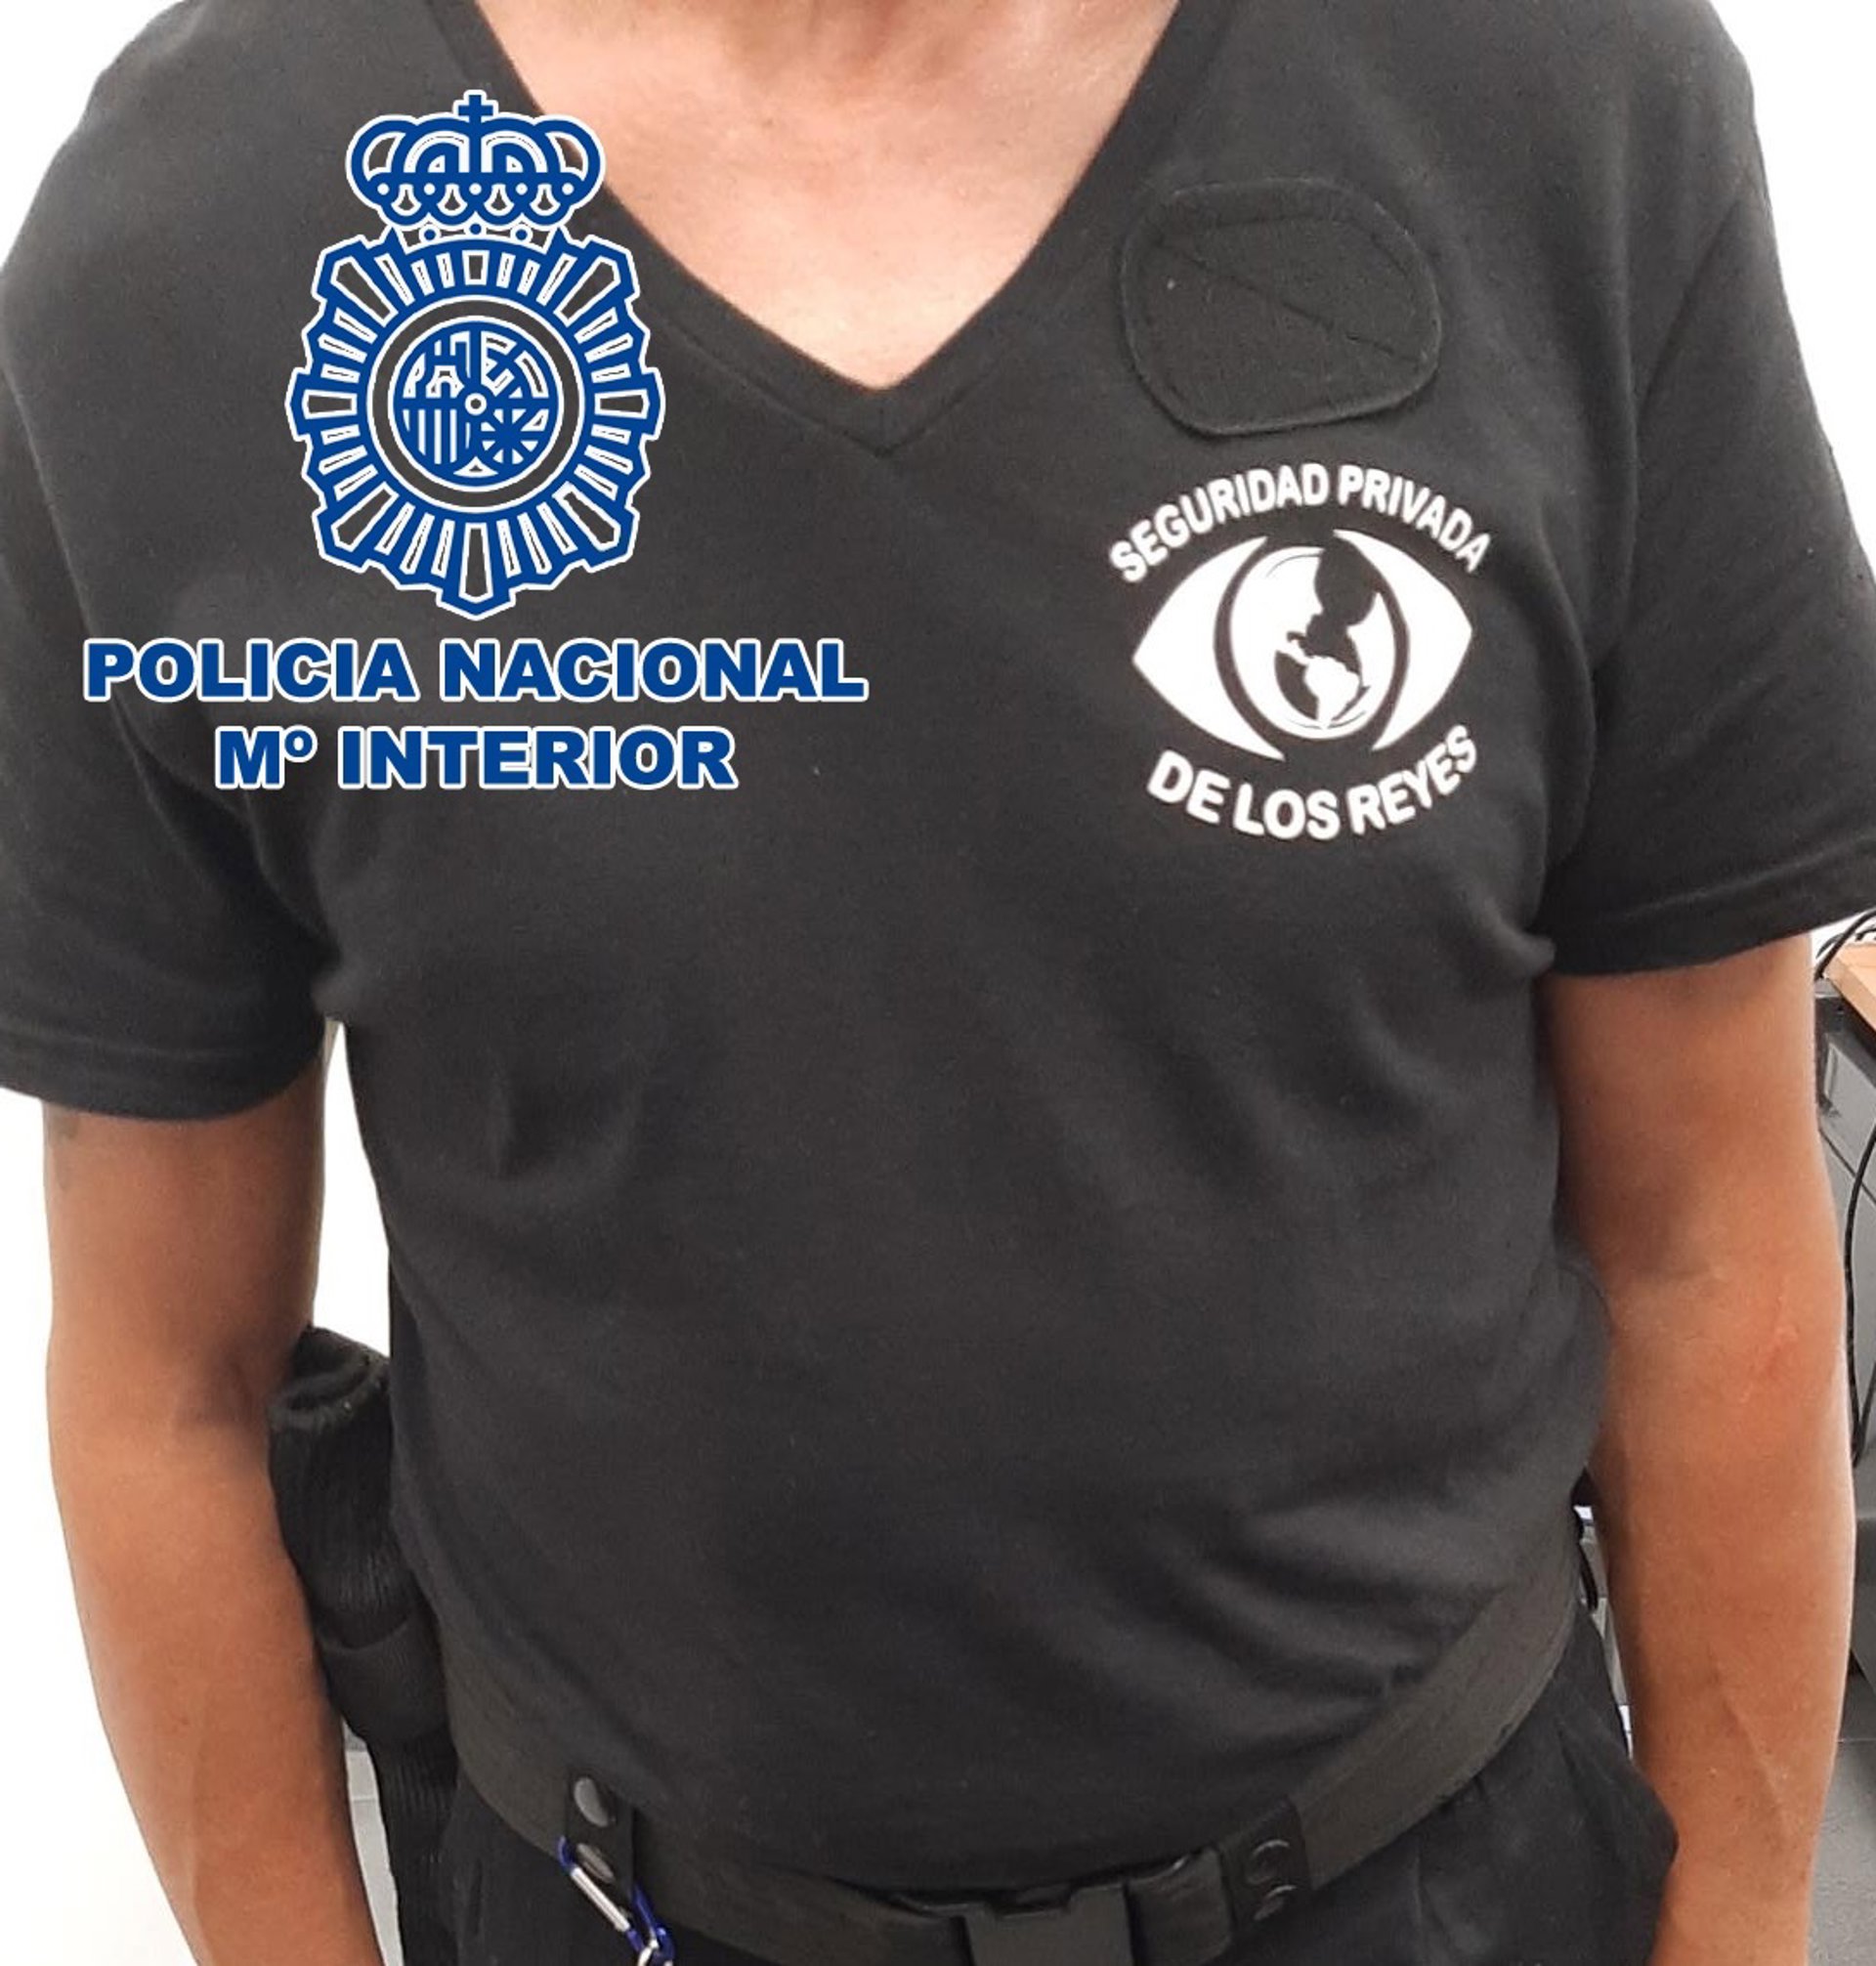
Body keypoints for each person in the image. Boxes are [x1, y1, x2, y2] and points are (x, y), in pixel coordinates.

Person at [4, 0, 1873, 1962]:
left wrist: (1739, 1931)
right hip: (617, 1900)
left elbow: (1705, 1231)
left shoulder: (1553, 98)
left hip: (1439, 1888)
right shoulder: (187, 240)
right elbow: (164, 1380)